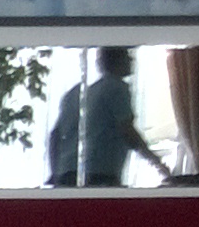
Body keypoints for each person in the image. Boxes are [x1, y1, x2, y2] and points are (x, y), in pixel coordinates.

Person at [45, 47, 162, 187]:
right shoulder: (116, 88)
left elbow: (55, 136)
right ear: (118, 61)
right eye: (127, 56)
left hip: (66, 175)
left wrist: (55, 174)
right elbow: (128, 132)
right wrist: (157, 163)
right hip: (99, 174)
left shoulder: (74, 95)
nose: (132, 60)